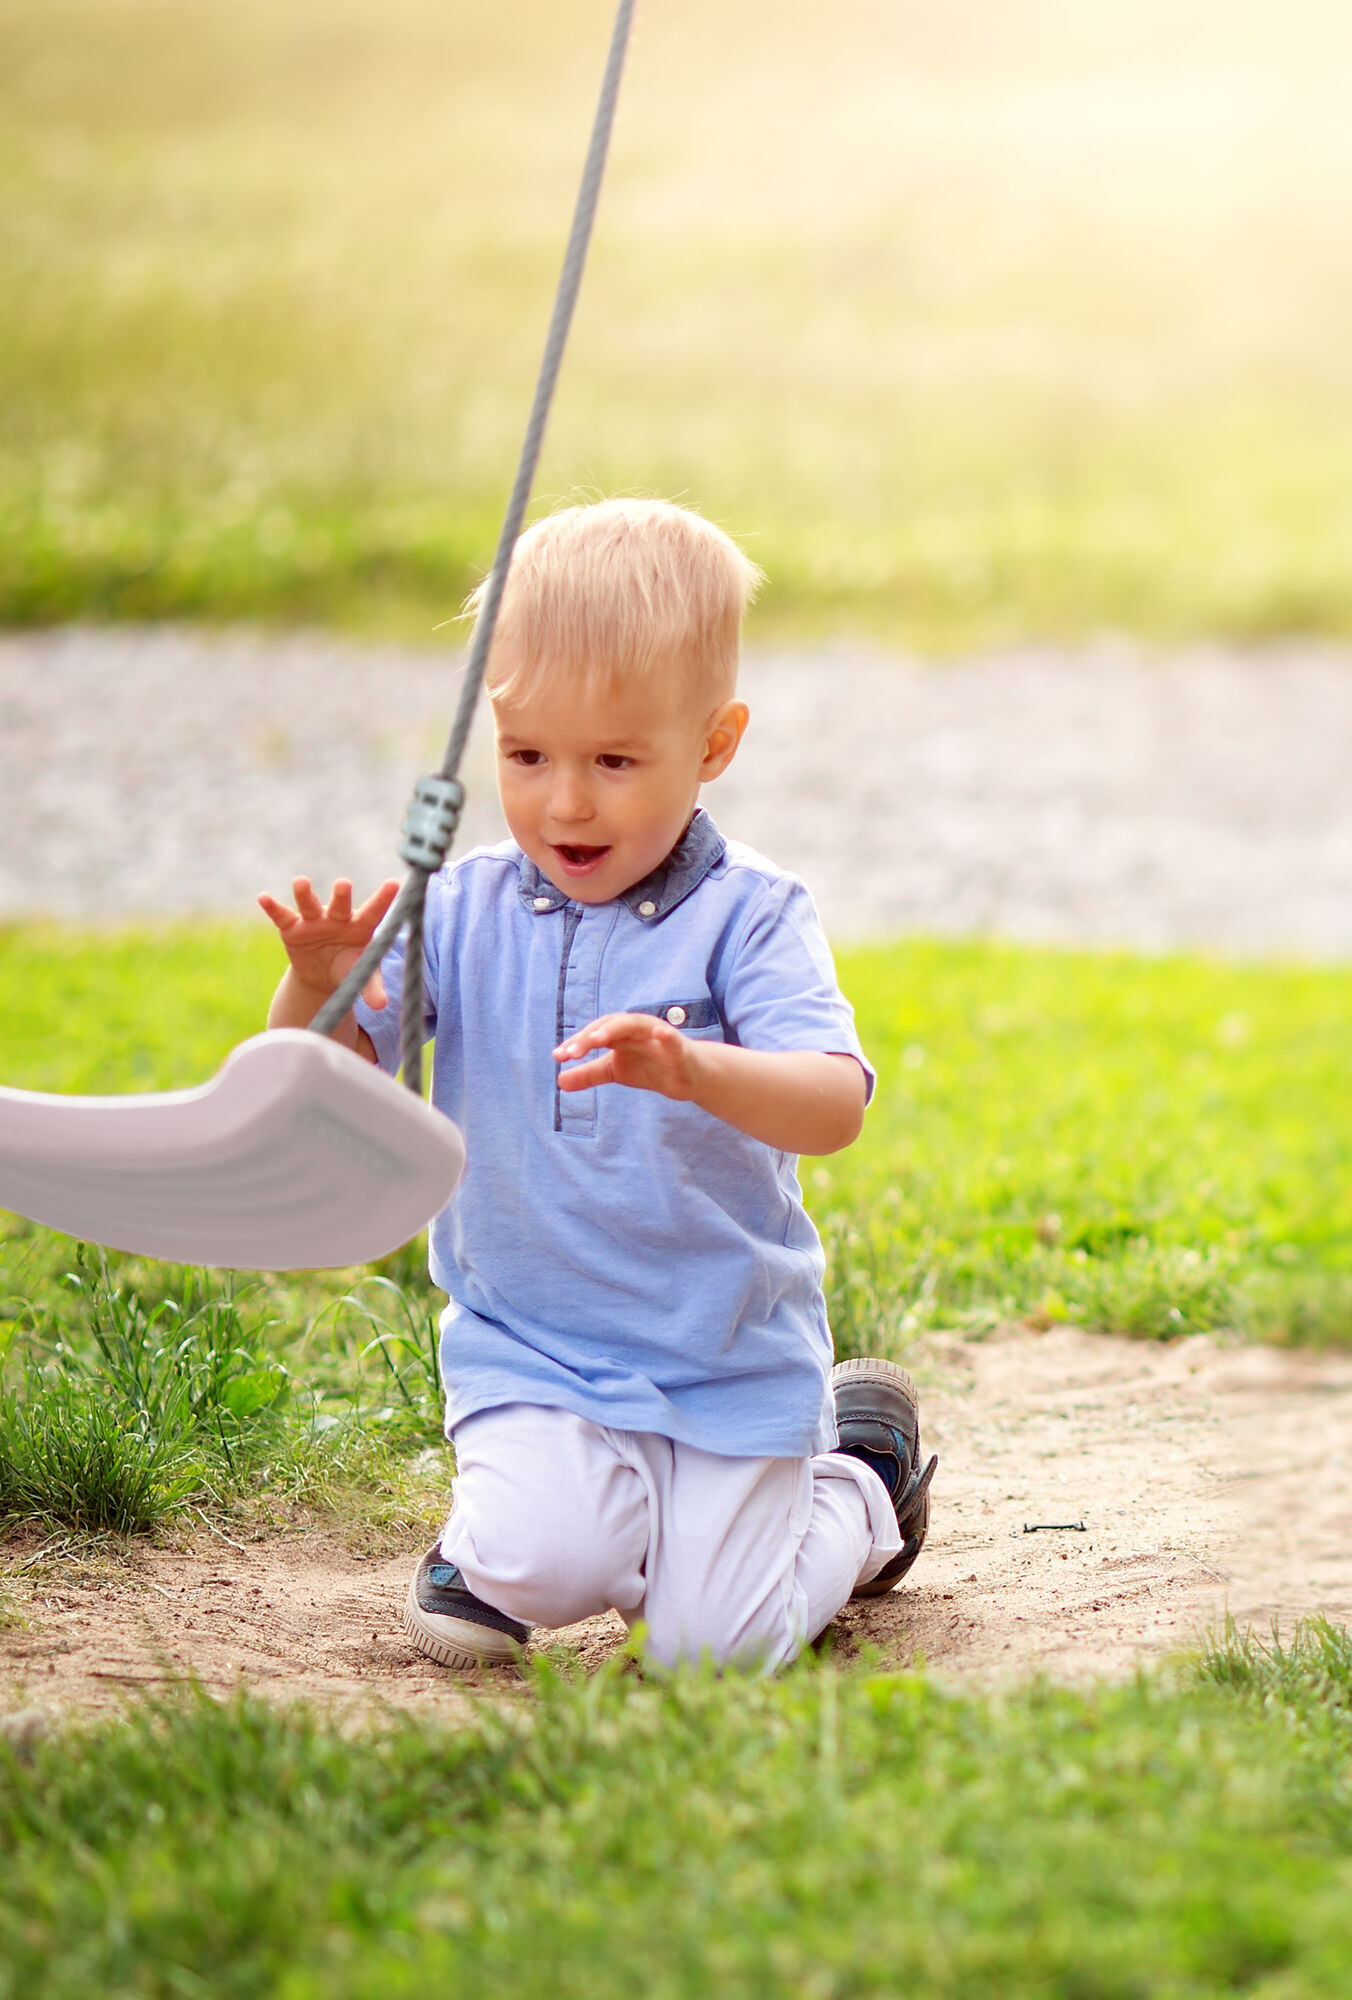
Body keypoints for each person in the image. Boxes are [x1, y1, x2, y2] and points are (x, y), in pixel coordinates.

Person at [258, 497, 935, 1672]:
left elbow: (832, 1104)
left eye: (614, 761)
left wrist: (689, 1064)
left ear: (713, 744)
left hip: (722, 1354)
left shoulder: (750, 915)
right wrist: (315, 986)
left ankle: (857, 1487)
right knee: (521, 1574)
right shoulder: (461, 907)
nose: (564, 802)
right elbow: (328, 1077)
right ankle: (531, 1545)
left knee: (712, 1656)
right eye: (526, 757)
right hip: (537, 1350)